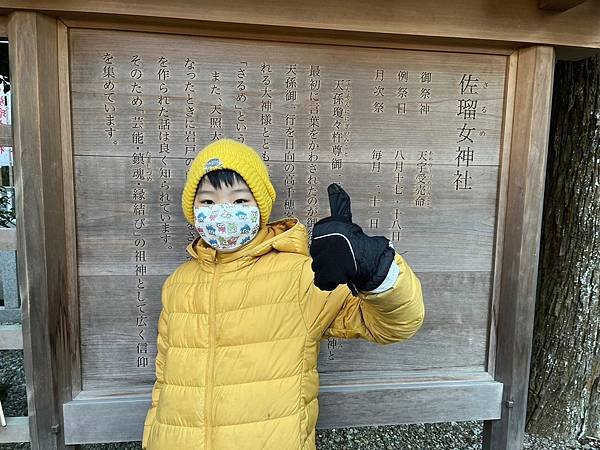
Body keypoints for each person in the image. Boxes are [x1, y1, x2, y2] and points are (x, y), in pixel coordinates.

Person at [141, 138, 424, 450]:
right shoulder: (179, 283)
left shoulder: (300, 275)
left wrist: (376, 268)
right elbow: (165, 381)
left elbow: (394, 326)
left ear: (261, 209)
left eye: (239, 202)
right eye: (208, 202)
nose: (222, 212)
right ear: (193, 211)